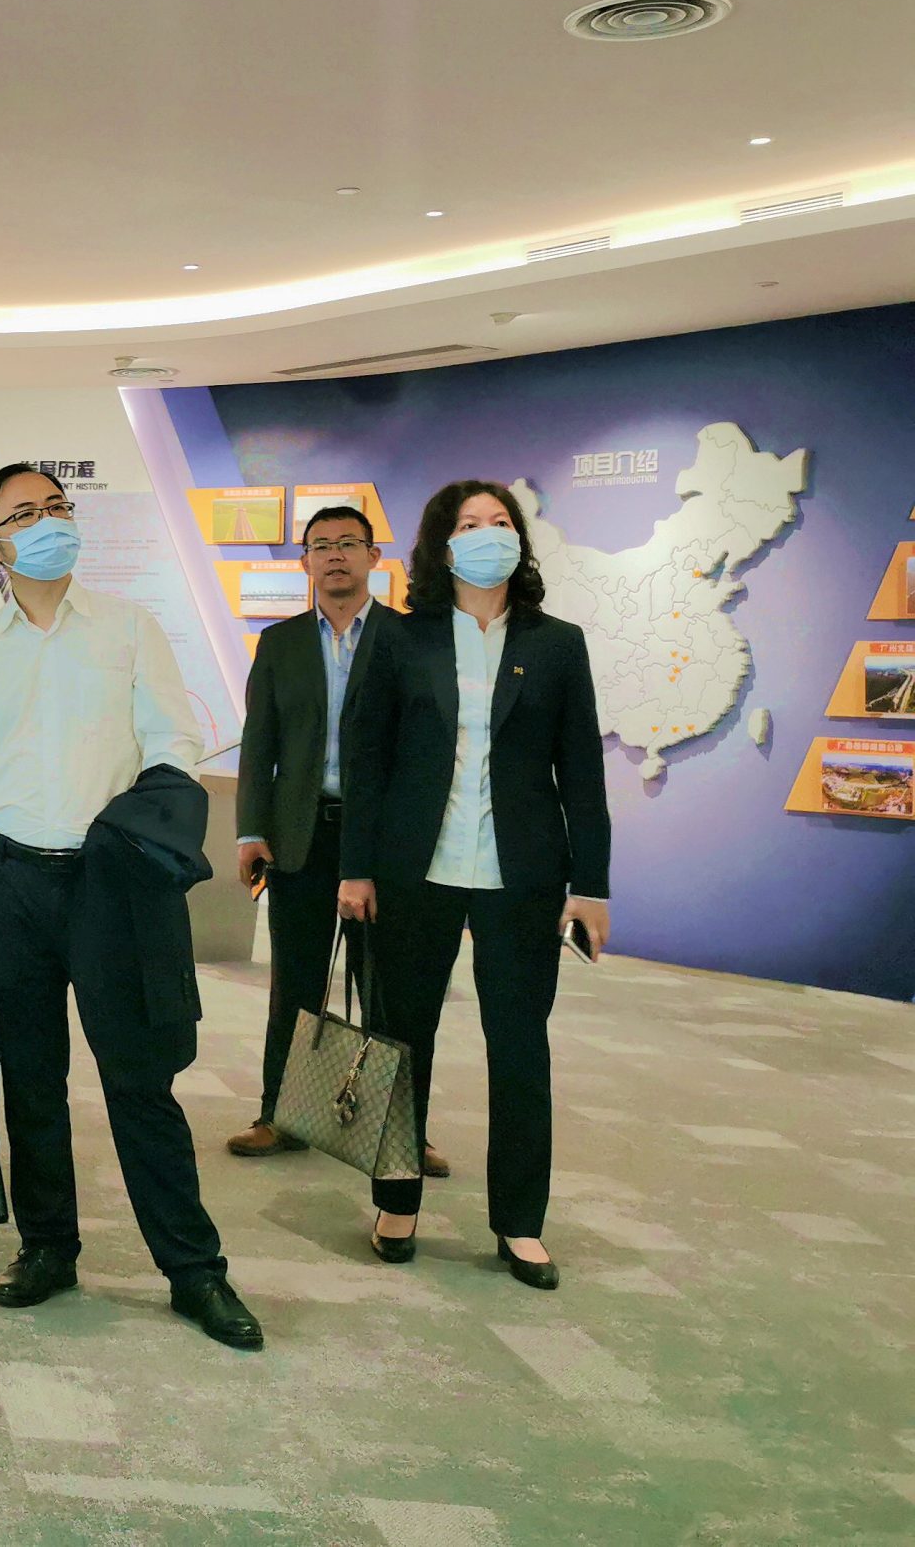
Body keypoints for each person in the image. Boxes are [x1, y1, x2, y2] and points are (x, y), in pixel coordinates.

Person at [0, 464, 262, 1350]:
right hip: (10, 882)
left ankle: (194, 1270)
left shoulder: (128, 627)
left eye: (57, 506)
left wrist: (137, 824)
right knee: (32, 1077)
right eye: (25, 514)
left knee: (139, 1080)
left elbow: (174, 737)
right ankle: (48, 1246)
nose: (49, 523)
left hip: (110, 883)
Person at [337, 480, 611, 1290]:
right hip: (414, 870)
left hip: (521, 875)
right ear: (442, 543)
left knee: (520, 1048)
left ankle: (520, 1223)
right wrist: (355, 867)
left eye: (500, 522)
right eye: (469, 523)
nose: (487, 534)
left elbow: (582, 772)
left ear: (518, 540)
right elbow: (367, 759)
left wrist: (591, 884)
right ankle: (396, 1202)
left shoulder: (556, 644)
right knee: (402, 1040)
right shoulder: (401, 636)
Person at [227, 507, 447, 1178]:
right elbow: (260, 742)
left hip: (384, 842)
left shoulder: (408, 639)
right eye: (320, 545)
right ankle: (279, 1114)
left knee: (390, 989)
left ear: (374, 557)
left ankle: (402, 1128)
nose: (334, 555)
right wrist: (251, 830)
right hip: (301, 836)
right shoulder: (281, 643)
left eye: (349, 543)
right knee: (294, 985)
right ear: (305, 563)